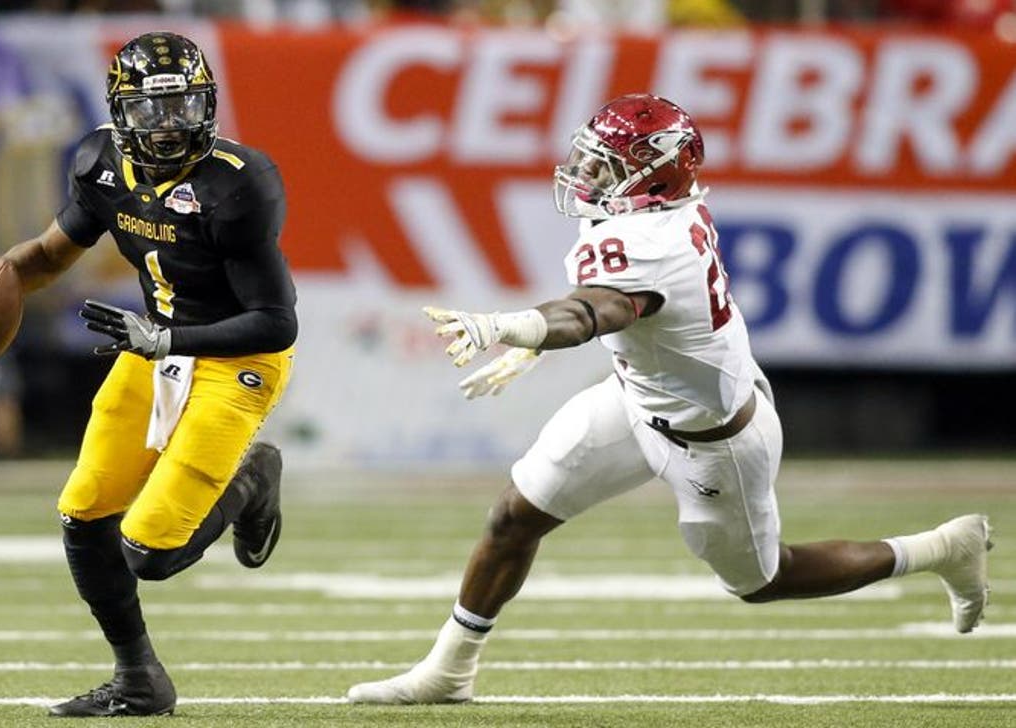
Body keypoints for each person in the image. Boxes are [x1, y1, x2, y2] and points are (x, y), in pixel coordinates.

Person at [347, 94, 992, 705]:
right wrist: (540, 338)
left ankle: (939, 548)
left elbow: (593, 311)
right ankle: (449, 670)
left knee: (763, 581)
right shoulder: (653, 215)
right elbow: (615, 311)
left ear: (651, 177)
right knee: (516, 514)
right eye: (589, 157)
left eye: (606, 165)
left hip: (712, 442)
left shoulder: (651, 246)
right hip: (634, 399)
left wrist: (518, 326)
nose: (586, 173)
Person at [0, 32, 297, 718]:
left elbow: (276, 322)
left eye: (182, 106)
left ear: (208, 105)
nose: (168, 126)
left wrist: (168, 336)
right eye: (150, 111)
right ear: (119, 111)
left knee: (152, 553)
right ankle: (139, 681)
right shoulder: (101, 163)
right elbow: (50, 253)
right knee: (83, 515)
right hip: (153, 352)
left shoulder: (238, 183)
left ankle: (252, 478)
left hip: (235, 360)